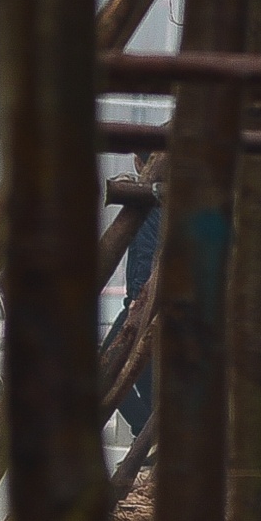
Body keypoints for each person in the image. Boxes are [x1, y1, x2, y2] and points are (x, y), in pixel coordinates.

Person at [103, 166, 161, 436]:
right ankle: (151, 434)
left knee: (109, 368)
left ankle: (147, 430)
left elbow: (146, 254)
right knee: (148, 379)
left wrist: (138, 300)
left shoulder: (150, 202)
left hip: (142, 303)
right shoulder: (160, 198)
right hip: (149, 301)